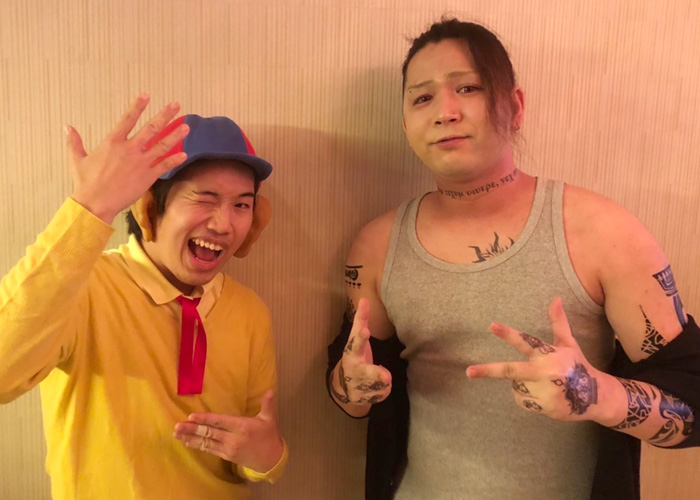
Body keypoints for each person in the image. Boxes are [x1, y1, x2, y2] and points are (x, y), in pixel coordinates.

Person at [327, 18, 700, 500]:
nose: (445, 112)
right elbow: (353, 395)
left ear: (516, 106)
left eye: (468, 88)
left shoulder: (602, 232)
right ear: (405, 125)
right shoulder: (376, 246)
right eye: (422, 98)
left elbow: (694, 393)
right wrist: (351, 386)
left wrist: (597, 395)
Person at [0, 95, 287, 499]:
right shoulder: (84, 287)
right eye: (204, 198)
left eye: (242, 204)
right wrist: (90, 209)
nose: (224, 224)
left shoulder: (249, 311)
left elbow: (256, 444)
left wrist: (269, 456)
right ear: (149, 207)